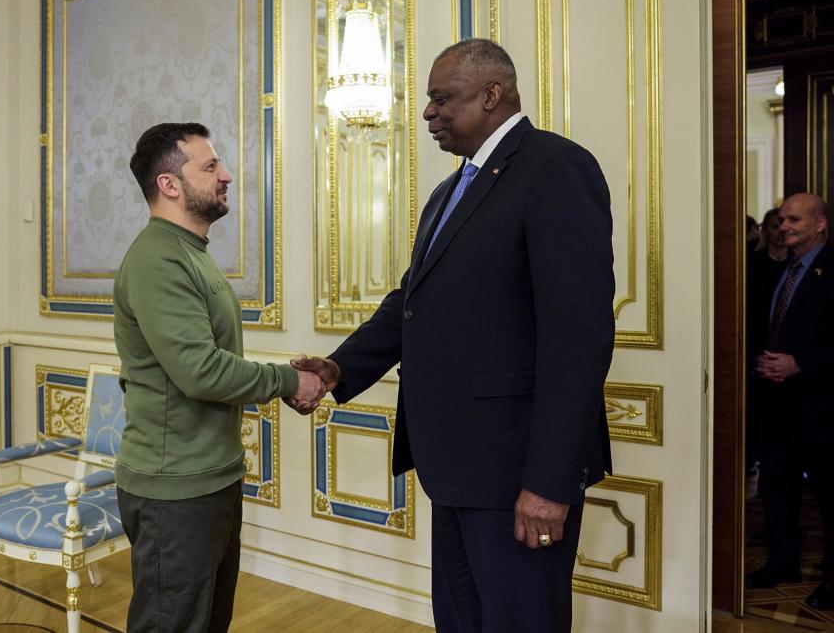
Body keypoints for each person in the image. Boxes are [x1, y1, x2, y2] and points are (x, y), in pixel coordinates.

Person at [289, 39, 614, 632]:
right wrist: (338, 368)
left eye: (442, 99)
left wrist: (547, 482)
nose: (428, 114)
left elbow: (578, 338)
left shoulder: (556, 168)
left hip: (518, 472)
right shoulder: (449, 191)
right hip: (455, 464)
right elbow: (410, 302)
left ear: (493, 94)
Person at [113, 122, 325, 632]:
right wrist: (290, 381)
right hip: (174, 488)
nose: (227, 175)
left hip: (210, 477)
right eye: (210, 167)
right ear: (169, 184)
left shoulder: (191, 254)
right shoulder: (158, 258)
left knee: (207, 623)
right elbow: (200, 371)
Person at [748, 193, 834, 610]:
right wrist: (761, 363)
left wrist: (799, 364)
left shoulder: (831, 270)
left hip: (820, 406)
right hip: (774, 403)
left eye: (794, 220)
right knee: (776, 488)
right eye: (781, 220)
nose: (784, 227)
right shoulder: (775, 272)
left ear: (820, 223)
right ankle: (782, 565)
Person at [745, 208, 788, 472]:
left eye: (788, 223)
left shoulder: (798, 265)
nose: (782, 231)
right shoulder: (752, 263)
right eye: (776, 225)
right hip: (757, 358)